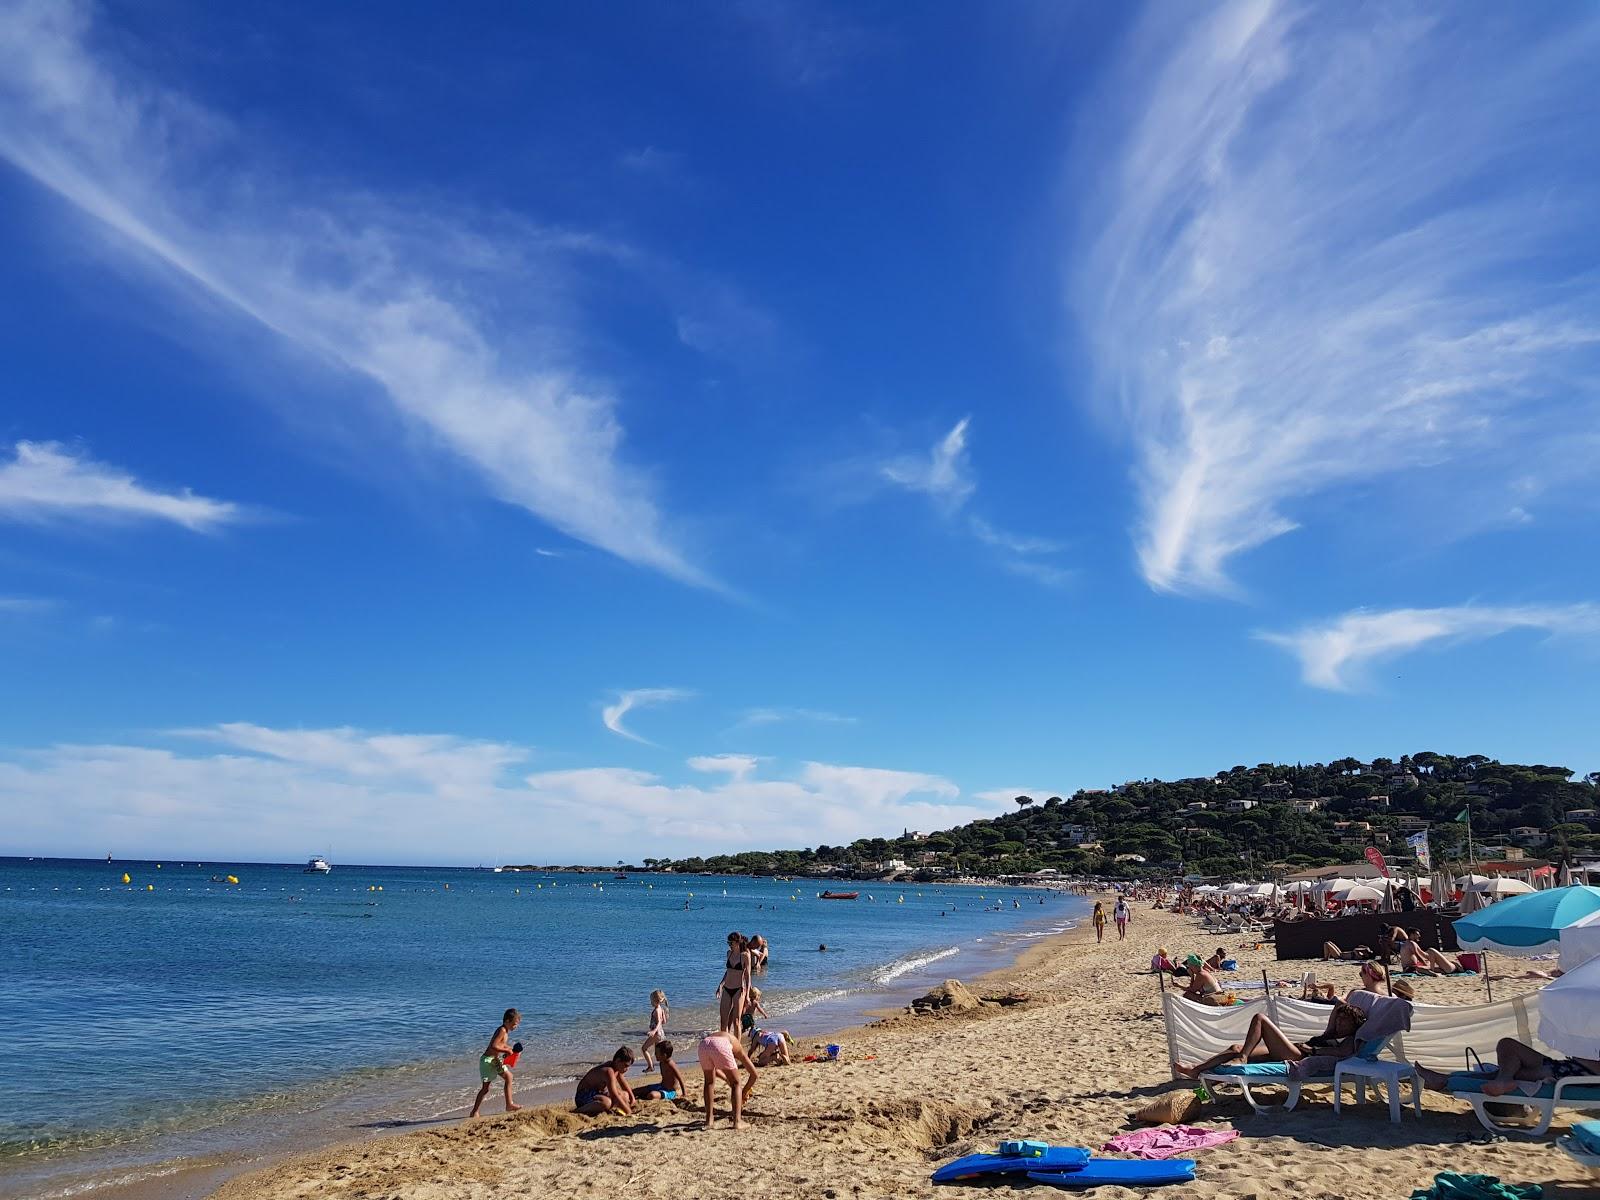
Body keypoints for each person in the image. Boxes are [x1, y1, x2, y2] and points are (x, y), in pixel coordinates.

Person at [1173, 1000, 1368, 1079]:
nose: (1341, 1023)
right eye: (1340, 1019)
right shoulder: (1331, 1032)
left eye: (1346, 1021)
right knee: (1237, 1048)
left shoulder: (1351, 1038)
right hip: (1298, 1050)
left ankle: (1241, 1059)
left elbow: (1342, 1053)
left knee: (1260, 1019)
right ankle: (1196, 1070)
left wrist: (1313, 1051)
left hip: (1300, 1057)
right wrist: (1352, 1005)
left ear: (1355, 1025)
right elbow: (1339, 1005)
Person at [1415, 1039, 1600, 1096]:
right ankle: (1504, 1079)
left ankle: (1442, 1080)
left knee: (1507, 1068)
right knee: (1507, 1046)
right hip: (1567, 1067)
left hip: (1578, 1073)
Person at [698, 1028, 758, 1129]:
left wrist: (727, 1079)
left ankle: (709, 1121)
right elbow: (754, 1074)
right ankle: (737, 1121)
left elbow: (715, 1071)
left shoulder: (718, 1037)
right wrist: (744, 1091)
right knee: (736, 1083)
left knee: (709, 1082)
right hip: (720, 1044)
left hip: (703, 1044)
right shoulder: (738, 1048)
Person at [469, 1008, 523, 1117]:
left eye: (517, 1025)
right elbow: (494, 1046)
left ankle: (509, 1104)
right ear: (507, 1021)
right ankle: (474, 1111)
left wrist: (511, 1050)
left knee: (509, 1077)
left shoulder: (506, 1032)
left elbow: (501, 1045)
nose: (515, 1027)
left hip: (495, 1060)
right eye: (514, 1024)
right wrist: (506, 1050)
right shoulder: (502, 1030)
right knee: (485, 1089)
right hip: (488, 1061)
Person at [574, 1047, 636, 1116]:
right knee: (606, 1103)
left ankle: (605, 1108)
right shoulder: (608, 1071)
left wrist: (632, 1098)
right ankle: (577, 1111)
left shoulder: (617, 1068)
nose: (627, 1069)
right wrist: (628, 1111)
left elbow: (623, 1084)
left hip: (598, 1093)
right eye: (626, 1065)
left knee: (625, 1095)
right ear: (618, 1060)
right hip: (583, 1095)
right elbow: (614, 1096)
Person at [718, 932, 751, 1032]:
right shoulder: (729, 953)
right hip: (727, 988)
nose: (729, 945)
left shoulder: (745, 956)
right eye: (728, 943)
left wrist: (747, 995)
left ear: (737, 942)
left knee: (736, 1021)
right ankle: (724, 1045)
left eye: (731, 943)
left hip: (738, 990)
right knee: (723, 1022)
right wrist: (720, 985)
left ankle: (737, 1046)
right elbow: (728, 972)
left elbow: (748, 976)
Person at [641, 989, 668, 1071]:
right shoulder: (661, 1009)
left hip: (656, 1034)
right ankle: (665, 1066)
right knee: (658, 1054)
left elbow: (660, 1022)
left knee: (644, 1048)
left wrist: (653, 1031)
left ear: (656, 1001)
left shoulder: (656, 1010)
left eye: (651, 1001)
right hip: (661, 1034)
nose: (650, 1002)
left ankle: (650, 1066)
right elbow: (664, 1021)